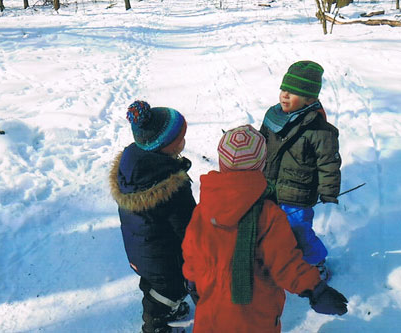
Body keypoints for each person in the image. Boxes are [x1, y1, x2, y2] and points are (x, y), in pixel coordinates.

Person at [181, 125, 347, 332]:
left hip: (211, 312)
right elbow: (285, 265)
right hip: (255, 316)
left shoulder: (204, 209)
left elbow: (191, 251)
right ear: (261, 165)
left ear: (222, 162)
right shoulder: (268, 215)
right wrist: (316, 289)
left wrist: (191, 279)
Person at [109, 100, 196, 333]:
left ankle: (166, 307)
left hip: (142, 251)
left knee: (154, 283)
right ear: (164, 145)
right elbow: (187, 227)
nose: (184, 142)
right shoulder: (170, 186)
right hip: (163, 256)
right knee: (171, 289)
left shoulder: (134, 165)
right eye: (180, 139)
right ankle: (156, 324)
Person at [259, 60, 341, 280]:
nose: (284, 95)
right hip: (269, 186)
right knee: (269, 227)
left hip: (299, 194)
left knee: (299, 231)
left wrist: (329, 191)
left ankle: (316, 262)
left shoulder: (320, 130)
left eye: (293, 93)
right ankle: (278, 258)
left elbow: (329, 164)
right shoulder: (273, 117)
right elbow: (260, 145)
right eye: (284, 89)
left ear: (310, 99)